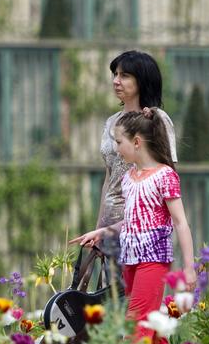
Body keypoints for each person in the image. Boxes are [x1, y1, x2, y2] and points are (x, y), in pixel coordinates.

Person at [75, 109, 196, 344]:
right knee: (152, 327)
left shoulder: (165, 176)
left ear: (137, 143)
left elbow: (181, 222)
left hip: (153, 259)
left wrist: (189, 266)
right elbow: (130, 220)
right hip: (130, 260)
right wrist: (102, 231)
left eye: (120, 142)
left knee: (136, 322)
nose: (117, 149)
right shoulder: (130, 178)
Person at [71, 50, 179, 267]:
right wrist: (99, 227)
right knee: (108, 297)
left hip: (141, 225)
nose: (116, 81)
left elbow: (169, 175)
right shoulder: (111, 122)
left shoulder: (155, 120)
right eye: (115, 74)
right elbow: (109, 178)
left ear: (142, 80)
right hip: (109, 227)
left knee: (132, 296)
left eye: (124, 76)